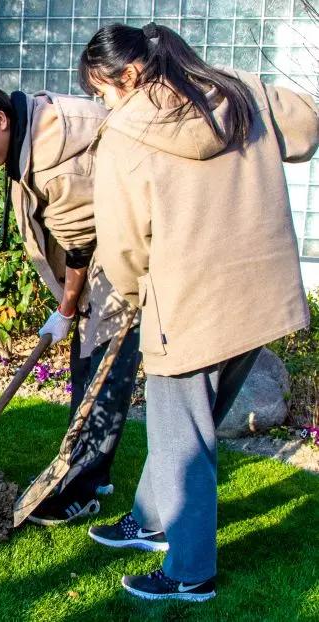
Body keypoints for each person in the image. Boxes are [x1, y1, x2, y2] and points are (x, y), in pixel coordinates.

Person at [78, 22, 319, 601]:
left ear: (129, 76)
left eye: (101, 91)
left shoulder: (124, 135)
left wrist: (134, 294)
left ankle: (188, 573)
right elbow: (308, 128)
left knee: (185, 438)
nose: (101, 104)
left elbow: (122, 242)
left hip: (186, 305)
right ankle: (150, 519)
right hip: (260, 295)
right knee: (188, 421)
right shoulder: (239, 90)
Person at [0, 83, 142, 525]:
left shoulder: (56, 162)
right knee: (86, 368)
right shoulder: (30, 124)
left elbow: (80, 244)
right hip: (99, 266)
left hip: (119, 267)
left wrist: (67, 310)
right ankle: (90, 467)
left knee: (101, 377)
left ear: (0, 119)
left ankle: (82, 488)